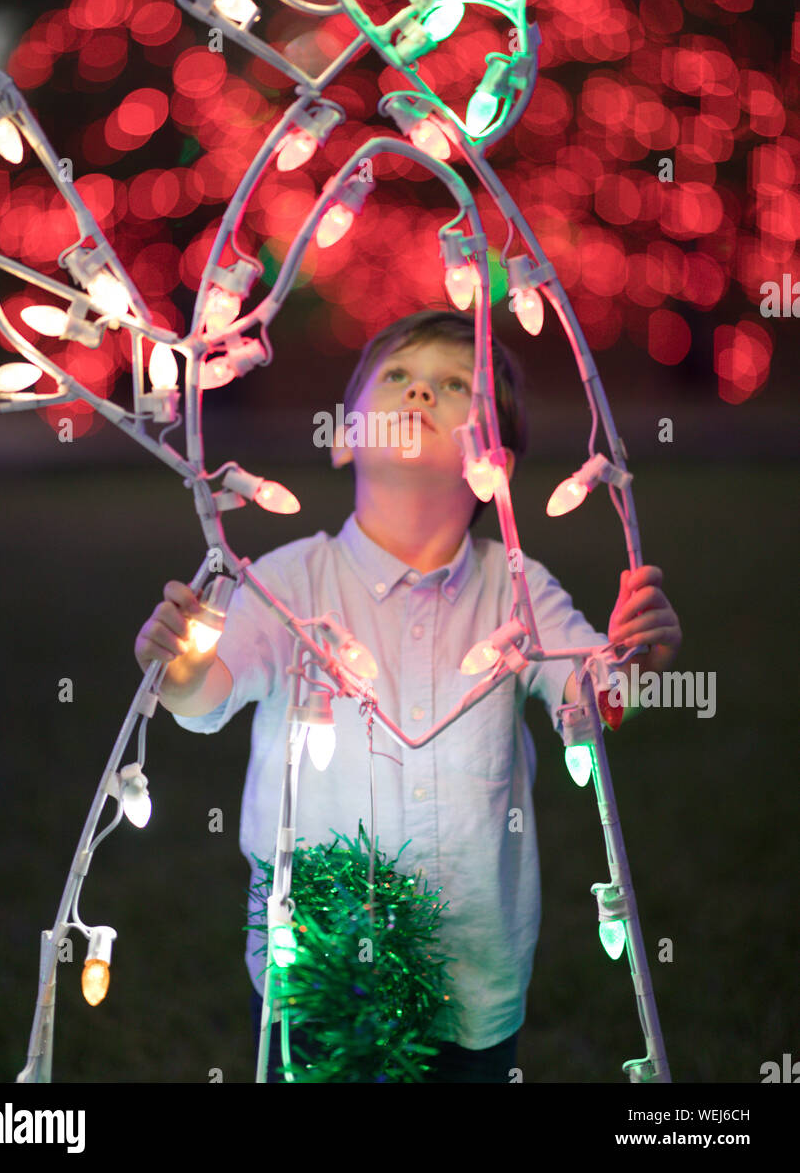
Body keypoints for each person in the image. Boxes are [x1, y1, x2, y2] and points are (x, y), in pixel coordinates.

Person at [134, 309, 682, 1082]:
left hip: (474, 982)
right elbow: (208, 696)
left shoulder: (516, 592)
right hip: (318, 973)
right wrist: (181, 667)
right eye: (397, 376)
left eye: (456, 385)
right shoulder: (289, 584)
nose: (421, 392)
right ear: (345, 436)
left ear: (495, 463)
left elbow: (590, 698)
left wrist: (636, 659)